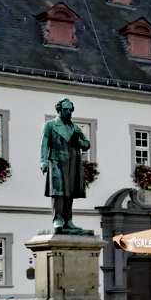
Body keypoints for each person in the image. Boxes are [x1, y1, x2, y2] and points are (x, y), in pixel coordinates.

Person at [40, 97, 91, 233]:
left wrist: (78, 142)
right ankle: (57, 219)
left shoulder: (74, 128)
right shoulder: (50, 125)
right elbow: (44, 143)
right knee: (58, 190)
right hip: (56, 160)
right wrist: (43, 161)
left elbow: (87, 144)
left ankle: (68, 220)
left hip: (72, 161)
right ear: (59, 110)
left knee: (70, 192)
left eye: (70, 110)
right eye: (65, 109)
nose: (68, 112)